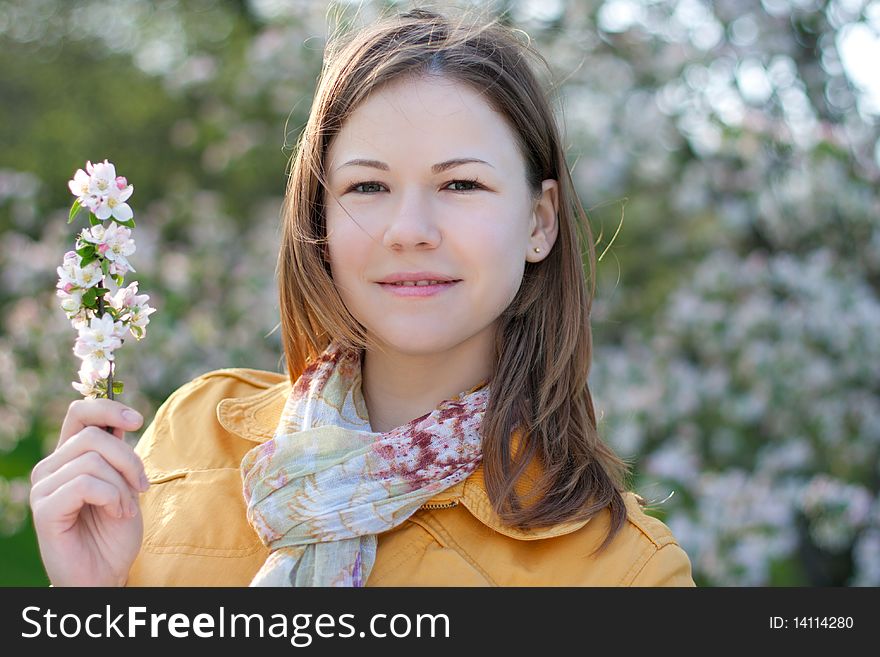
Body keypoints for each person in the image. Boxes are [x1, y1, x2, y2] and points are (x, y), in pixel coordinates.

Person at [29, 7, 695, 587]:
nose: (409, 231)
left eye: (461, 185)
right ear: (318, 220)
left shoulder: (623, 571)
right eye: (367, 188)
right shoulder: (190, 437)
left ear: (539, 222)